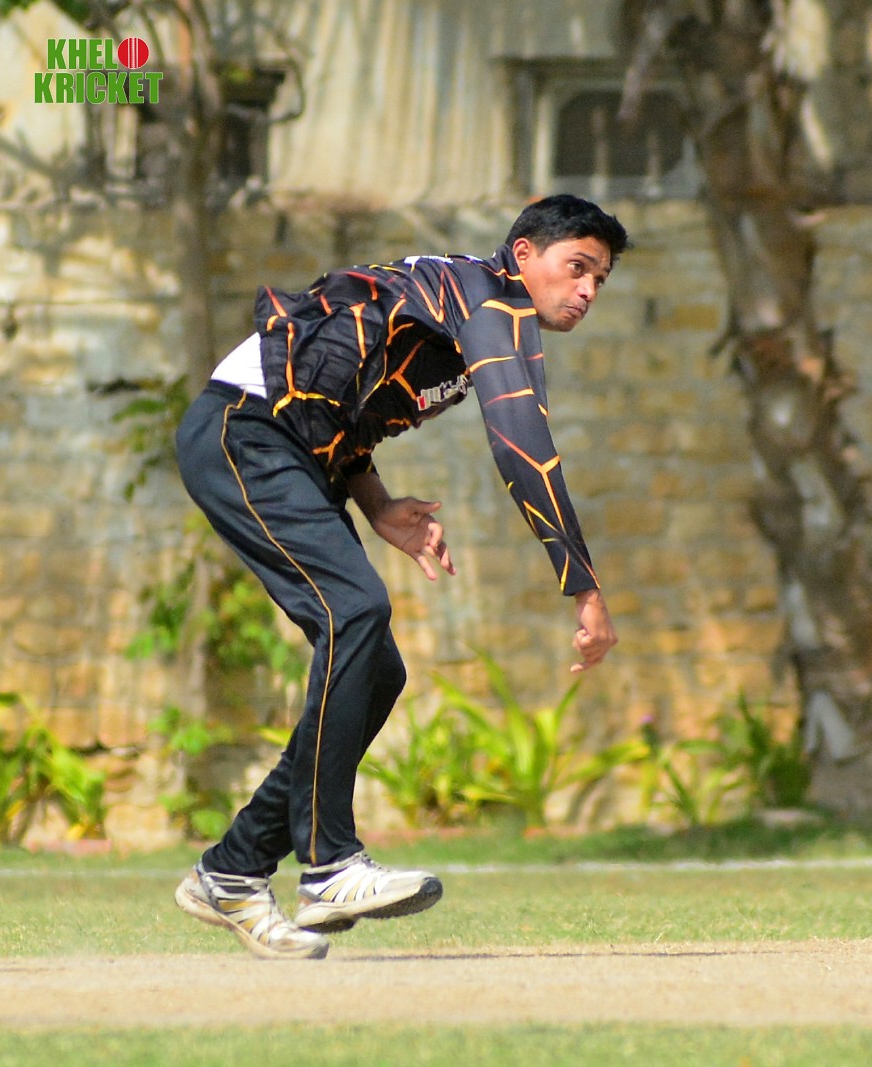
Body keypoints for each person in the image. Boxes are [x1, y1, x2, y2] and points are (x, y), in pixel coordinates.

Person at [171, 194, 627, 959]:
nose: (585, 290)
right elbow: (522, 443)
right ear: (522, 254)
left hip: (292, 449)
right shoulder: (485, 298)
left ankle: (233, 867)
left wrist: (378, 504)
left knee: (376, 668)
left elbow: (342, 401)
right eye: (576, 266)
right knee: (354, 611)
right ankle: (329, 866)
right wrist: (584, 587)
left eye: (599, 280)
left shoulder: (466, 312)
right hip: (240, 430)